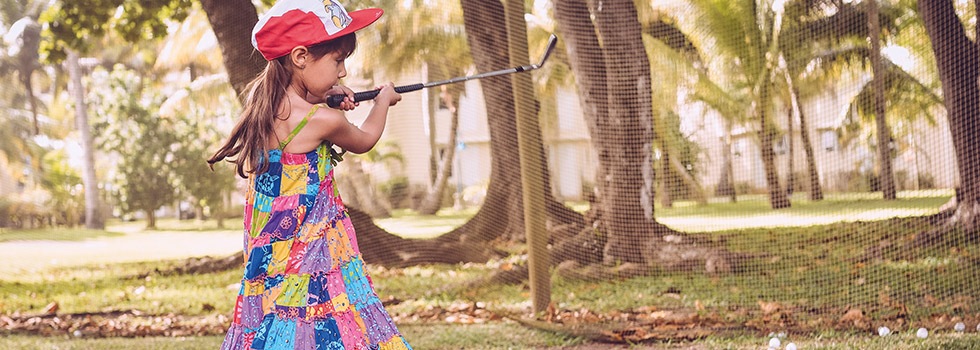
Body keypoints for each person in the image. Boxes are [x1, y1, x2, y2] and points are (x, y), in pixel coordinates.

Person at [208, 0, 408, 348]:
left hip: (270, 250)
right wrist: (382, 102)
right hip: (313, 246)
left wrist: (326, 94)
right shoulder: (322, 120)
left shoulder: (265, 102)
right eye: (337, 60)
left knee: (278, 318)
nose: (343, 72)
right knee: (332, 315)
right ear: (300, 57)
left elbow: (303, 108)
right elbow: (364, 140)